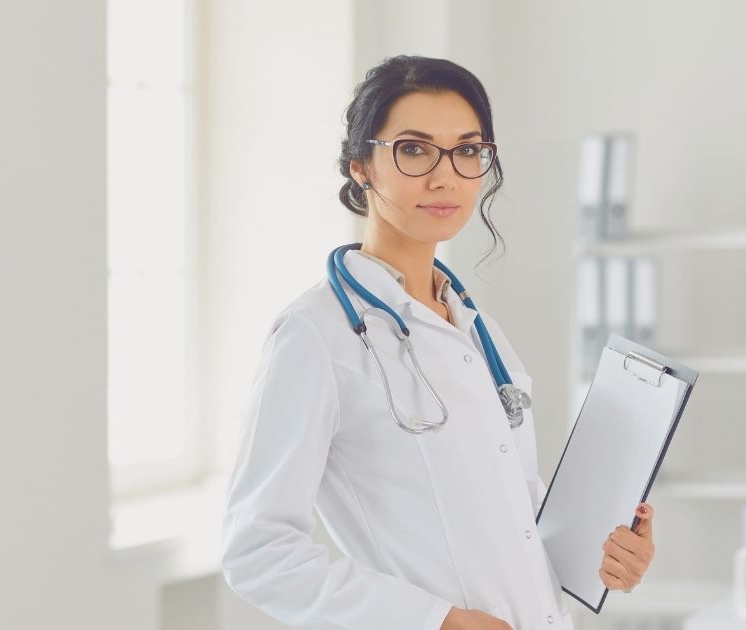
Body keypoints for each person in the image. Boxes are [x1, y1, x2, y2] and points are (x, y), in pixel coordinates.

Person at [221, 55, 655, 630]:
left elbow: (514, 522)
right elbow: (257, 552)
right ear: (360, 166)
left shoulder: (477, 328)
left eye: (467, 151)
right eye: (414, 149)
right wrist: (437, 621)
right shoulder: (315, 334)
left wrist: (607, 554)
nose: (445, 176)